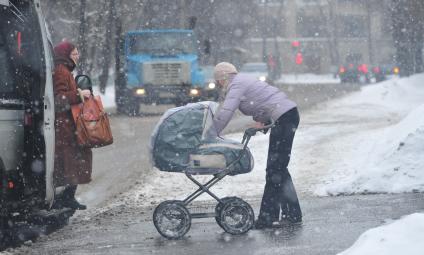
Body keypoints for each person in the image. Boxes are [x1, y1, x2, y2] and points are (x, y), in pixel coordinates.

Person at [209, 62, 302, 229]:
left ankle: (269, 218)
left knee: (275, 169)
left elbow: (226, 112)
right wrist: (262, 121)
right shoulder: (241, 80)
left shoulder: (236, 85)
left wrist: (211, 133)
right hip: (286, 116)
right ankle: (291, 215)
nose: (218, 85)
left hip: (285, 118)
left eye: (218, 81)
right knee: (279, 168)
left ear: (223, 77)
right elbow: (265, 101)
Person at [52, 41, 92, 210]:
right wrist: (79, 94)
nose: (77, 56)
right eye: (74, 54)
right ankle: (65, 198)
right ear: (66, 55)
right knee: (70, 162)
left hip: (69, 125)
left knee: (73, 161)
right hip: (65, 126)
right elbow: (58, 98)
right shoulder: (61, 71)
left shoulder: (65, 70)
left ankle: (67, 196)